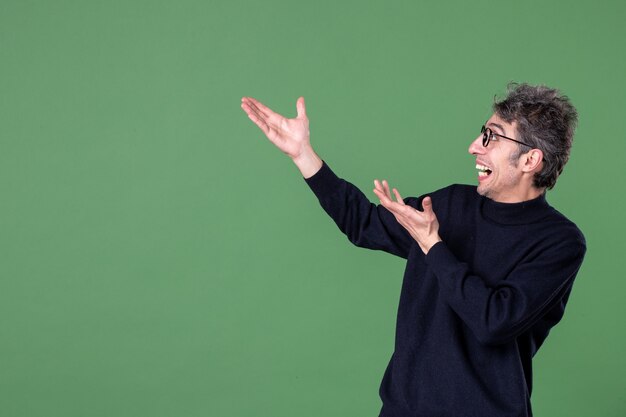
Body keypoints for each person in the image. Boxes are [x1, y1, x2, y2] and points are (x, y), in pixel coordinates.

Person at [240, 83, 586, 417]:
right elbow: (363, 223)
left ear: (530, 161)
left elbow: (494, 321)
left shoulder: (560, 242)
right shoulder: (450, 203)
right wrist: (304, 155)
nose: (473, 147)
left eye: (491, 137)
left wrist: (432, 244)